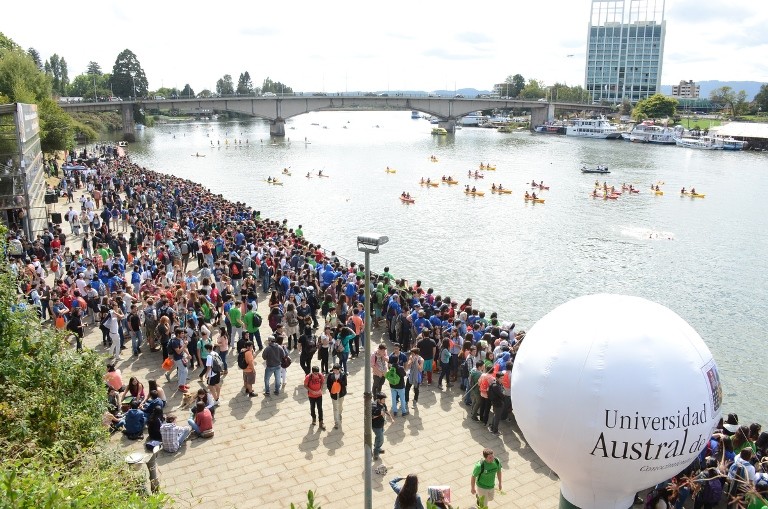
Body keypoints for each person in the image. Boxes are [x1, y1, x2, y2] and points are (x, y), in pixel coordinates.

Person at [372, 392, 393, 461]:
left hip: (381, 424)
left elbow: (386, 410)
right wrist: (379, 414)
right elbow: (371, 417)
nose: (384, 400)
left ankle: (376, 448)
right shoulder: (374, 406)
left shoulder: (382, 403)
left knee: (378, 437)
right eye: (383, 399)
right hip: (376, 426)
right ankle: (376, 453)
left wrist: (391, 418)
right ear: (378, 399)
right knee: (381, 439)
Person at [303, 365, 326, 430]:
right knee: (312, 407)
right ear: (312, 372)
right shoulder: (308, 377)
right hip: (311, 395)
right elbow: (305, 385)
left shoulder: (320, 375)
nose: (316, 374)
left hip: (319, 395)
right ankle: (314, 418)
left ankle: (321, 422)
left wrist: (320, 389)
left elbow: (322, 382)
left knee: (320, 408)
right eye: (315, 373)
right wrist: (311, 391)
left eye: (317, 373)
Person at [326, 363, 347, 429]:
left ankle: (339, 414)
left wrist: (339, 381)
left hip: (341, 394)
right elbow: (328, 385)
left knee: (340, 407)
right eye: (334, 370)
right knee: (335, 408)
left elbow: (345, 384)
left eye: (336, 370)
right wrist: (331, 391)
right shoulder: (330, 376)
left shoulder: (343, 375)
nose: (335, 371)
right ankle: (336, 422)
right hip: (334, 394)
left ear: (339, 370)